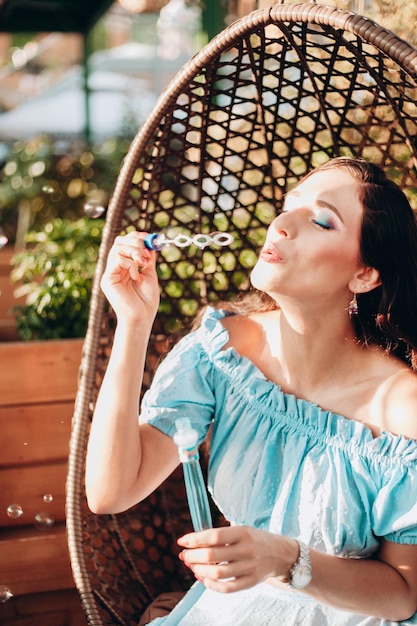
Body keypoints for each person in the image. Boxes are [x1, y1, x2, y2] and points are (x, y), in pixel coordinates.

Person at [85, 157, 417, 625]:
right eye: (288, 206)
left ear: (365, 274)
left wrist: (288, 559)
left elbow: (403, 596)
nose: (281, 225)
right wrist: (134, 323)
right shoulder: (219, 356)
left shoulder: (403, 415)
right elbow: (110, 492)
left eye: (321, 220)